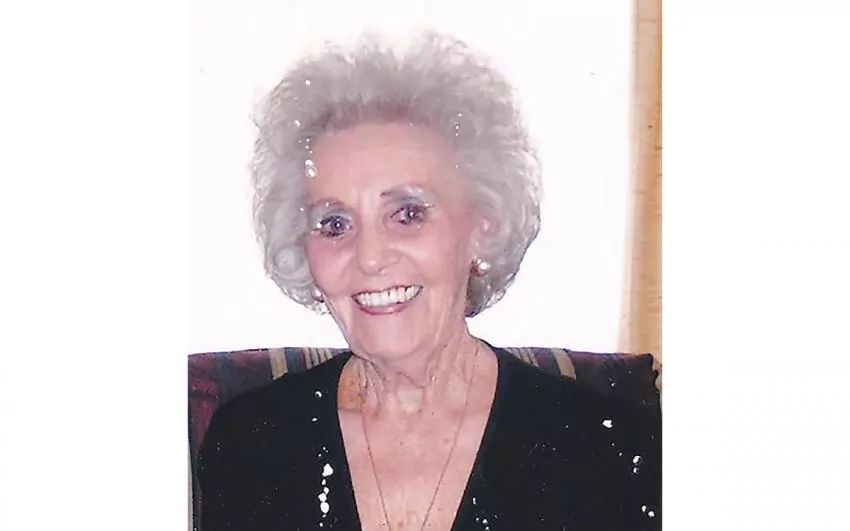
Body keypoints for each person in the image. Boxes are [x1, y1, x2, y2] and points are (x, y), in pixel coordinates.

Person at [198, 31, 661, 531]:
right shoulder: (251, 441)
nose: (370, 257)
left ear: (482, 227)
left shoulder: (606, 448)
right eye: (334, 223)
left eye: (408, 214)